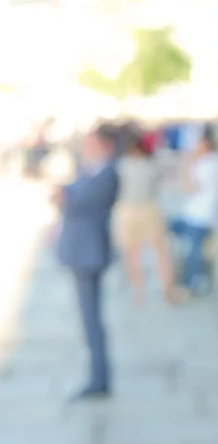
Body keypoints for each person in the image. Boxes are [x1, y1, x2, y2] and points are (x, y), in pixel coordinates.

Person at [54, 123, 120, 400]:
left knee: (92, 318)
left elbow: (81, 203)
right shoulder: (91, 169)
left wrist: (64, 197)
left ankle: (99, 378)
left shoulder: (107, 174)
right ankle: (97, 375)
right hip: (81, 249)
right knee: (88, 318)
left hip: (89, 252)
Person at [112, 131, 176, 304]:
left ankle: (138, 293)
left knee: (132, 254)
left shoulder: (121, 166)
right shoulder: (151, 166)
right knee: (161, 251)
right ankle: (168, 289)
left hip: (128, 210)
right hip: (149, 208)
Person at [169, 126, 218, 296]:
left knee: (193, 252)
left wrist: (189, 162)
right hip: (195, 213)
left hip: (201, 216)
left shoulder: (209, 163)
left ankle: (190, 283)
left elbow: (189, 187)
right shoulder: (214, 161)